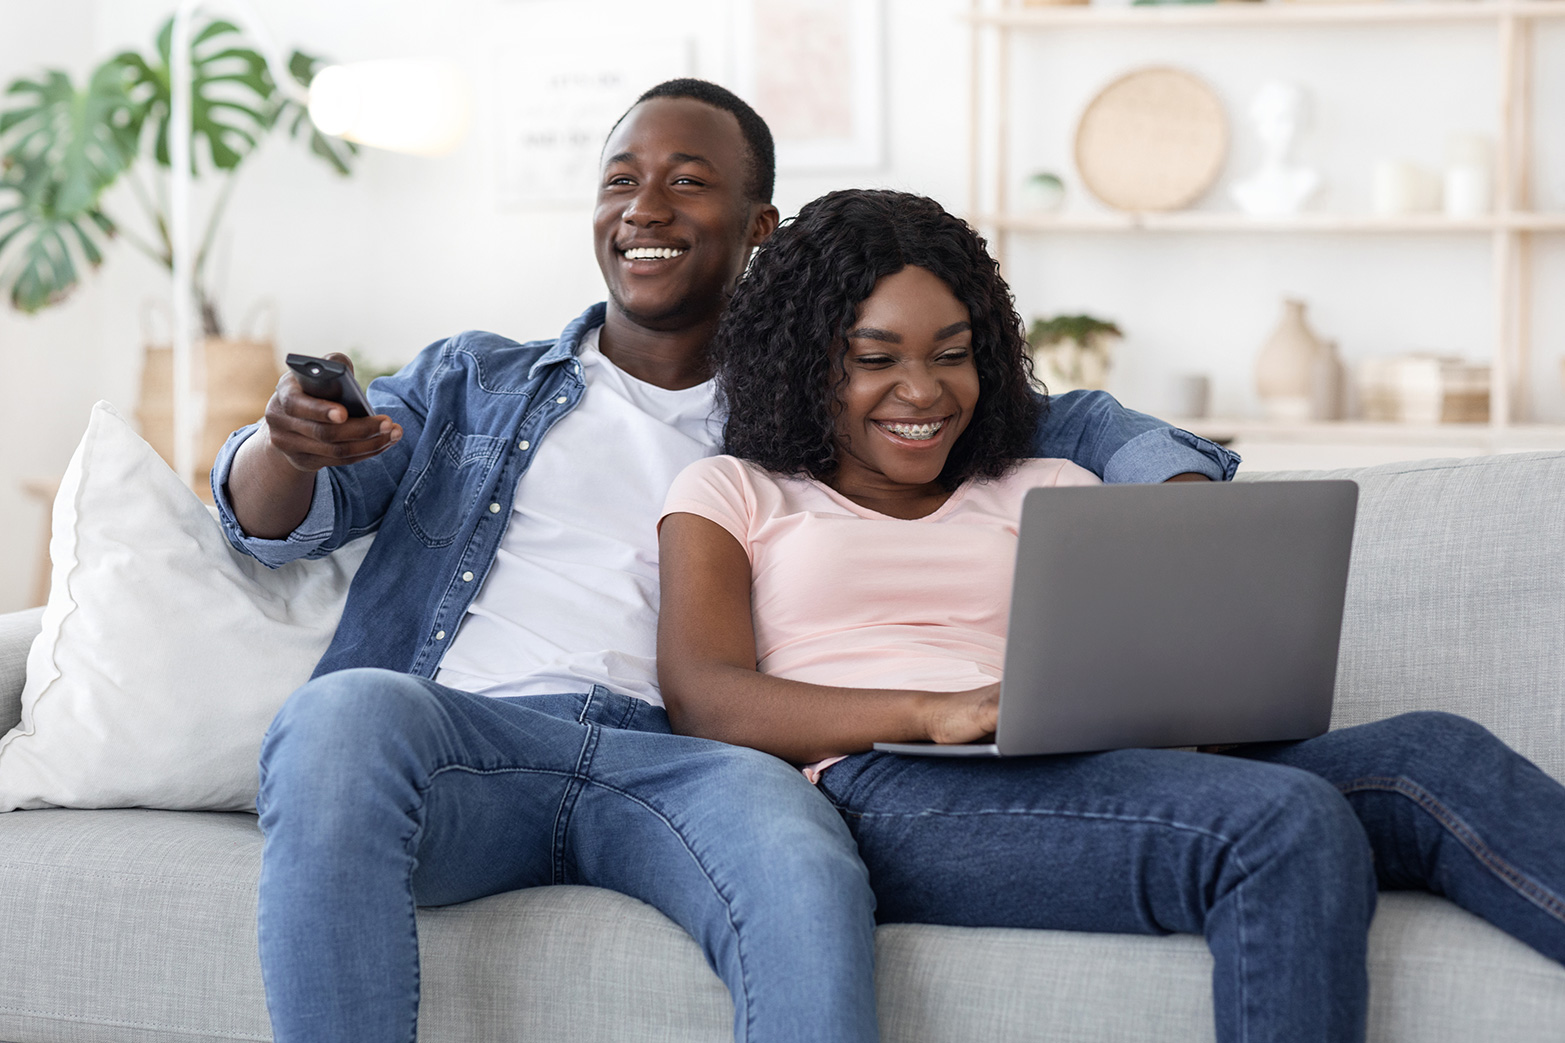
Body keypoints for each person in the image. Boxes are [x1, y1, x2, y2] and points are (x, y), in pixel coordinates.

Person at [215, 80, 1237, 1043]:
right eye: (619, 179)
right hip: (470, 746)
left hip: (689, 760)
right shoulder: (471, 381)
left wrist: (1175, 497)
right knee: (343, 710)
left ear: (759, 225)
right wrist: (286, 442)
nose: (643, 208)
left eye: (686, 181)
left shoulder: (822, 403)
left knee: (799, 853)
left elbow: (1061, 416)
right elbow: (276, 521)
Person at [656, 187, 1565, 1043]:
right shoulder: (733, 491)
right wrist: (934, 711)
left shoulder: (1047, 484)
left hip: (1079, 760)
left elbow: (1140, 641)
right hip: (880, 785)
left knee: (1429, 753)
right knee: (1276, 821)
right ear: (803, 359)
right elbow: (706, 696)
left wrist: (1187, 707)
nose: (924, 390)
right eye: (874, 357)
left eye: (951, 352)